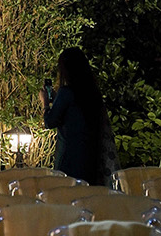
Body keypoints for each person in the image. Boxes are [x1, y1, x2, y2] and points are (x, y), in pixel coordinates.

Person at [39, 48, 116, 186]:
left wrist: (45, 103)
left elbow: (50, 122)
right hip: (91, 158)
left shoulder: (66, 93)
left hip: (69, 159)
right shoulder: (93, 94)